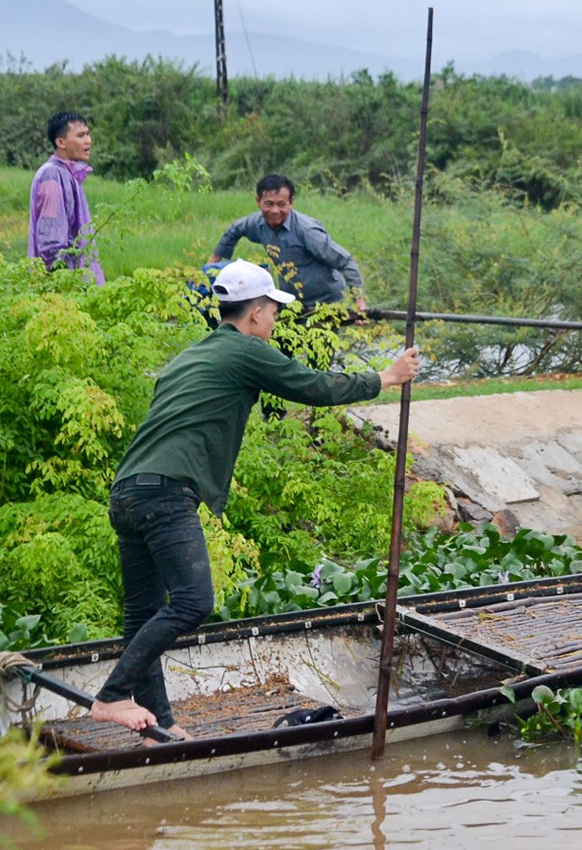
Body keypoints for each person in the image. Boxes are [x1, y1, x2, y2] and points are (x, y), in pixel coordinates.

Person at [92, 259, 421, 735]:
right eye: (272, 312)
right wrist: (386, 378)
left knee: (144, 612)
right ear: (255, 314)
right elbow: (313, 385)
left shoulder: (190, 355)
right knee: (193, 602)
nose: (274, 321)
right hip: (166, 492)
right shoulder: (246, 351)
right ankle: (112, 696)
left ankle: (159, 726)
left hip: (127, 491)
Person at [210, 173, 366, 310]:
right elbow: (234, 229)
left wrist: (359, 301)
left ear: (291, 202)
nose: (275, 211)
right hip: (291, 301)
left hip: (325, 301)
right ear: (258, 202)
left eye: (281, 204)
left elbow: (345, 261)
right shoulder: (256, 223)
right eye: (269, 204)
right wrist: (214, 261)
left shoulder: (307, 230)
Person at [29, 111, 104, 283]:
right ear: (61, 142)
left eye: (87, 134)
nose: (88, 140)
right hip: (65, 291)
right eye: (80, 135)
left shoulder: (69, 174)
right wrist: (64, 285)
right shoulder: (52, 176)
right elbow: (50, 243)